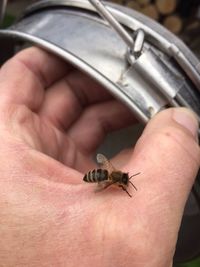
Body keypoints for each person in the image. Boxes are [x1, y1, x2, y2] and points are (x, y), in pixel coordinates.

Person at [0, 47, 199, 267]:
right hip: (95, 176)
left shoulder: (115, 175)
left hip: (96, 172)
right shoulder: (112, 181)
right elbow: (105, 185)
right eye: (125, 181)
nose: (125, 181)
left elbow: (106, 164)